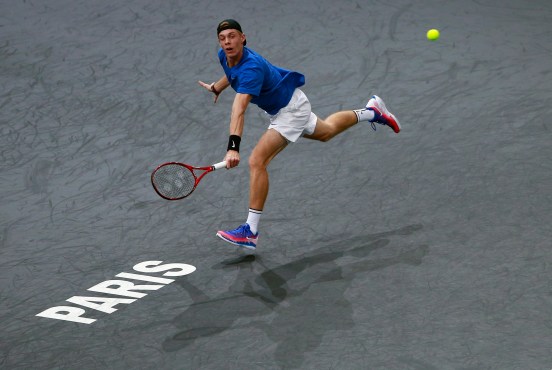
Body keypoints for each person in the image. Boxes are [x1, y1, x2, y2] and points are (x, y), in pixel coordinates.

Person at [198, 19, 400, 250]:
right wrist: (217, 87)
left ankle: (250, 231)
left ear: (243, 37)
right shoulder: (225, 55)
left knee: (257, 161)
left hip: (290, 111)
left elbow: (239, 109)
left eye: (232, 36)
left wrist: (233, 146)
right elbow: (232, 73)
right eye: (223, 38)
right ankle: (372, 112)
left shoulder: (251, 68)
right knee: (326, 131)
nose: (227, 42)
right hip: (288, 104)